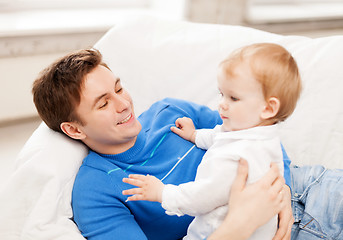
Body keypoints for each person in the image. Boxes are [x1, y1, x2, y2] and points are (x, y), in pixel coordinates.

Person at [32, 48, 293, 240]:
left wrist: (284, 194)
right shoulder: (95, 191)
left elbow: (260, 129)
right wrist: (240, 225)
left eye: (119, 89)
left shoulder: (171, 112)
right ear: (74, 129)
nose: (124, 105)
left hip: (306, 192)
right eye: (103, 103)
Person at [122, 43, 301, 240]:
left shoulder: (237, 159)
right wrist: (194, 135)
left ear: (268, 108)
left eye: (233, 97)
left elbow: (202, 197)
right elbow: (220, 135)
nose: (222, 104)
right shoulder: (258, 134)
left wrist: (163, 193)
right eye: (222, 94)